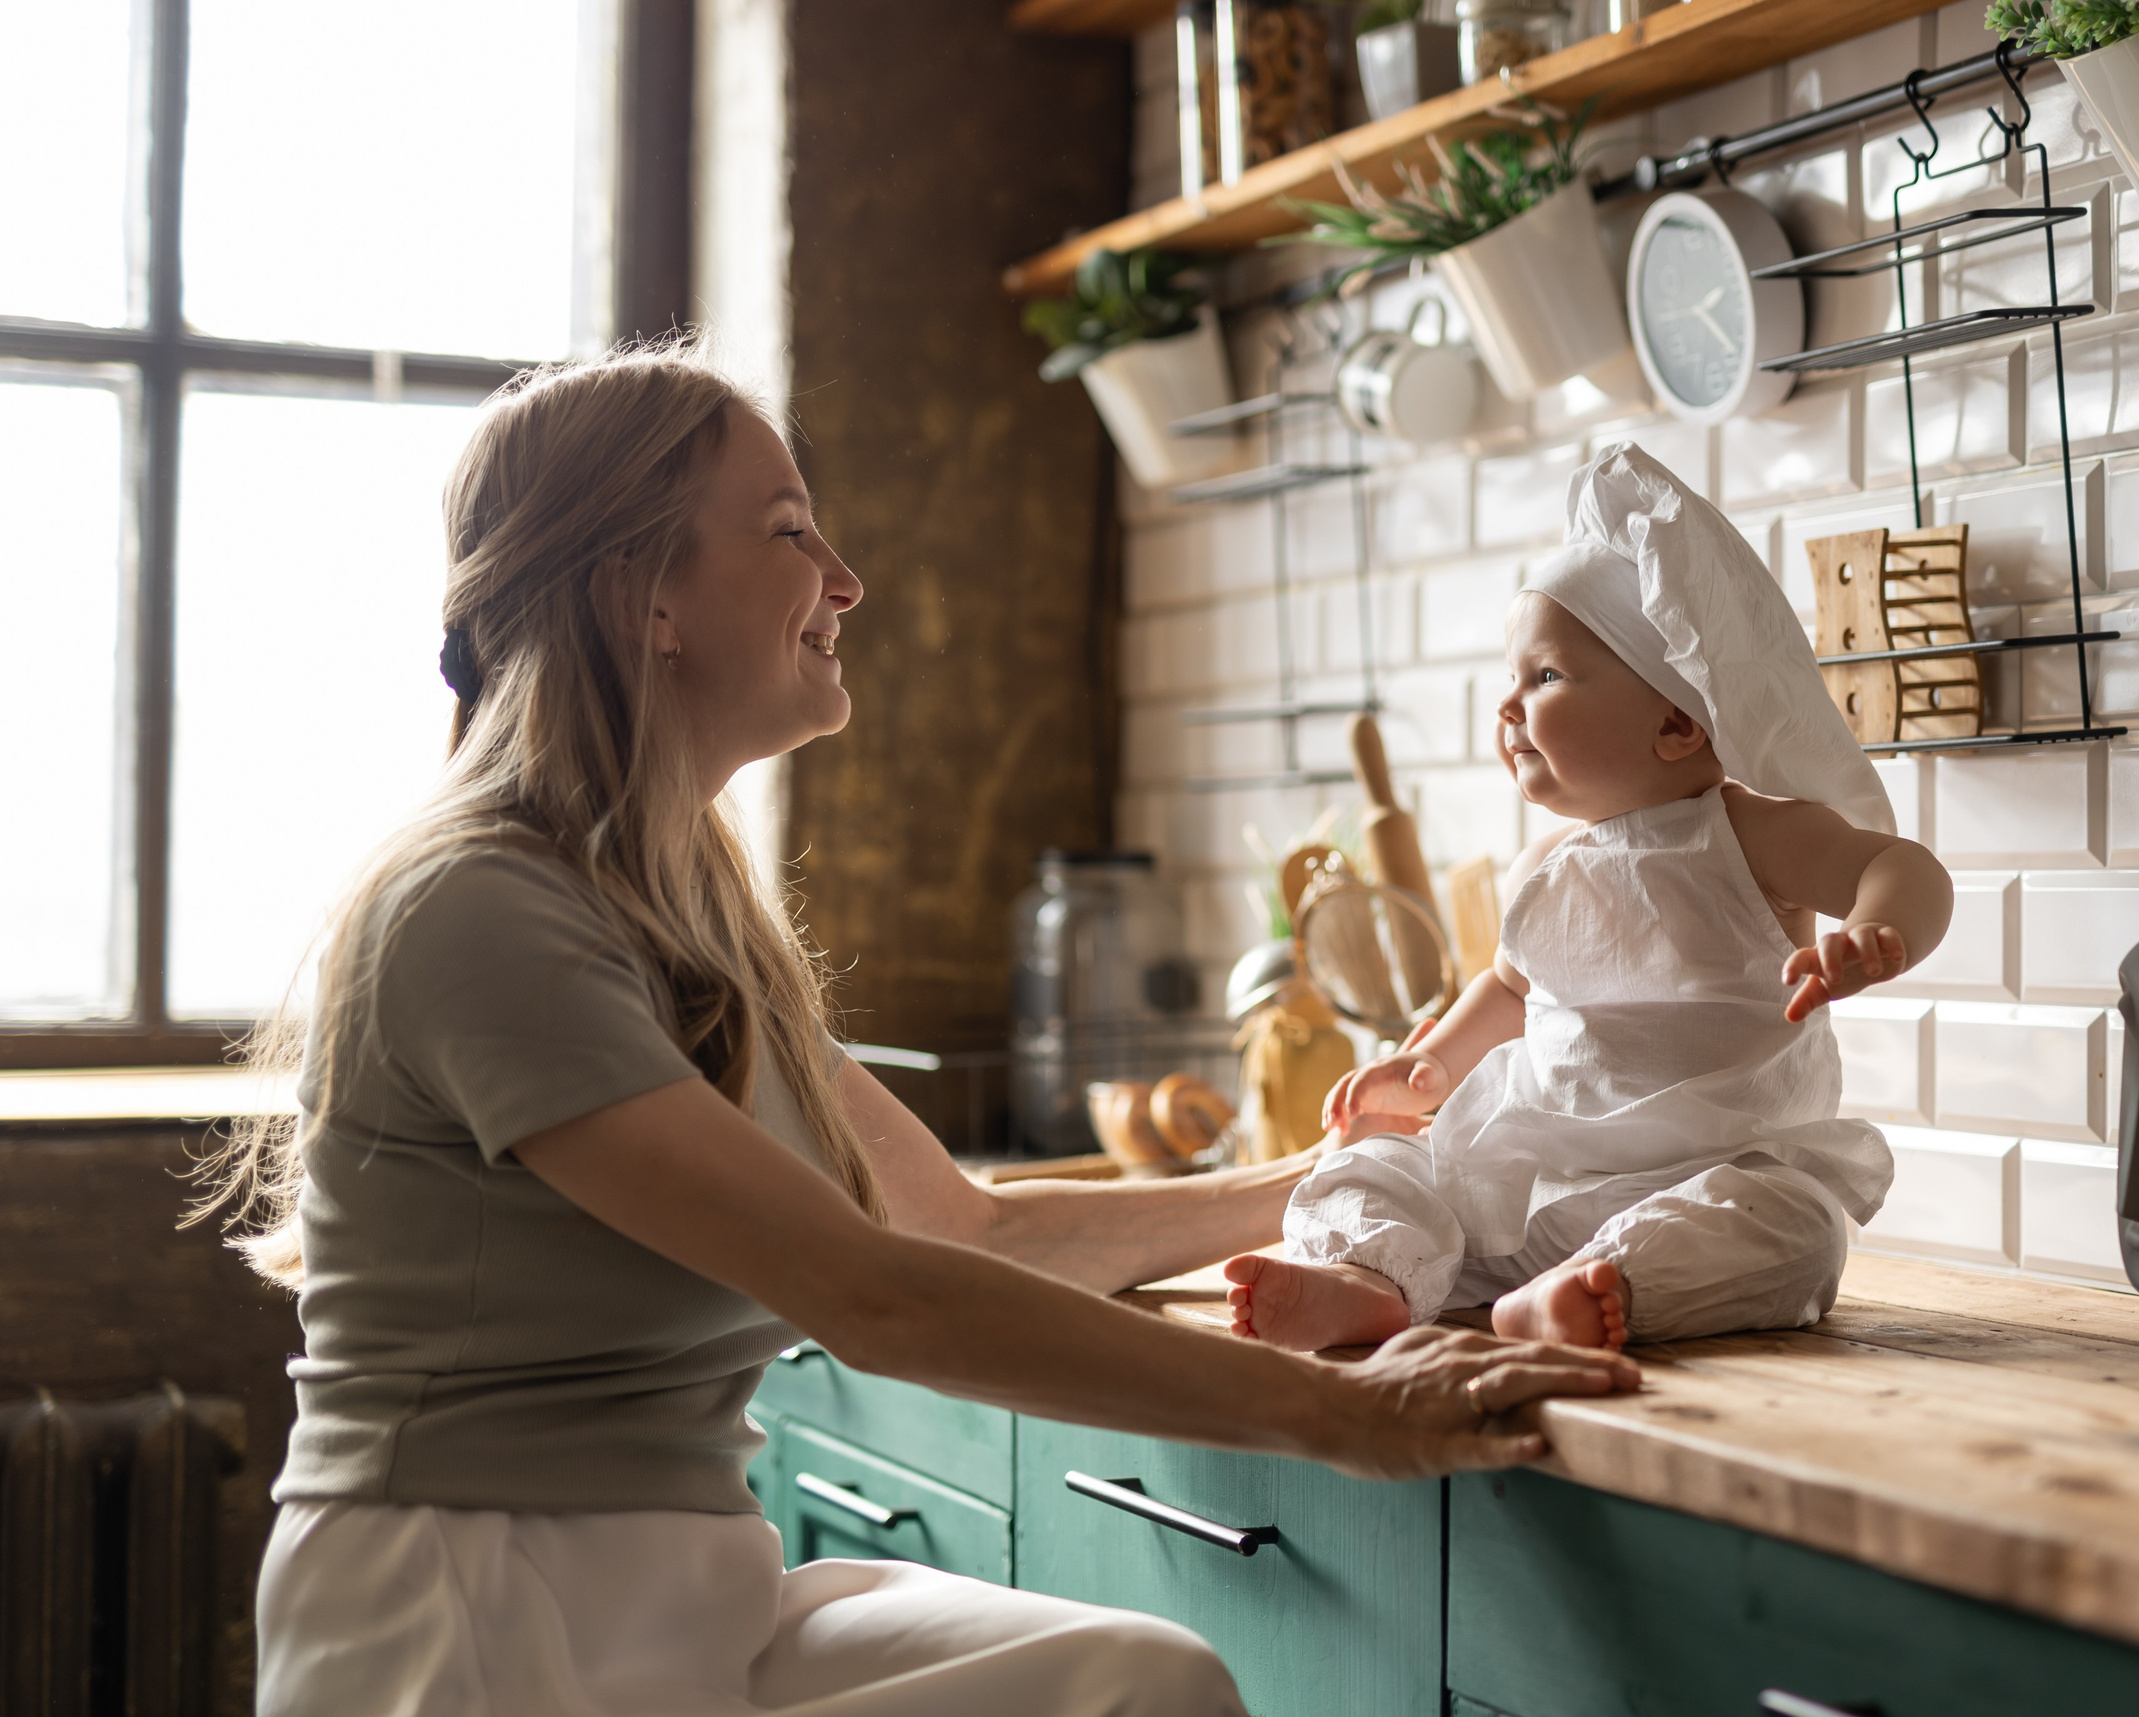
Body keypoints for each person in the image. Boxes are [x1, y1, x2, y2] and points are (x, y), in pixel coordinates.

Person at [200, 344, 1639, 1717]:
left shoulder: (691, 912)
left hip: (695, 1597)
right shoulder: (478, 911)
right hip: (470, 1618)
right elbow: (876, 1297)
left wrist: (1358, 1181)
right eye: (787, 531)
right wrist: (1348, 1416)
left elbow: (966, 1234)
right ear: (645, 595)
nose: (845, 579)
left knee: (1143, 1688)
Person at [1224, 446, 1954, 1355]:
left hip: (1710, 1178)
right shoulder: (1544, 864)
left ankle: (1597, 1288)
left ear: (1677, 720)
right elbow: (1509, 989)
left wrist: (1879, 930)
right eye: (1513, 677)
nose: (1509, 705)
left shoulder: (1753, 835)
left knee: (1796, 1228)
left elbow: (1904, 866)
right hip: (1539, 1191)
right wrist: (1429, 1067)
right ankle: (1367, 1279)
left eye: (1545, 677)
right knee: (1385, 1163)